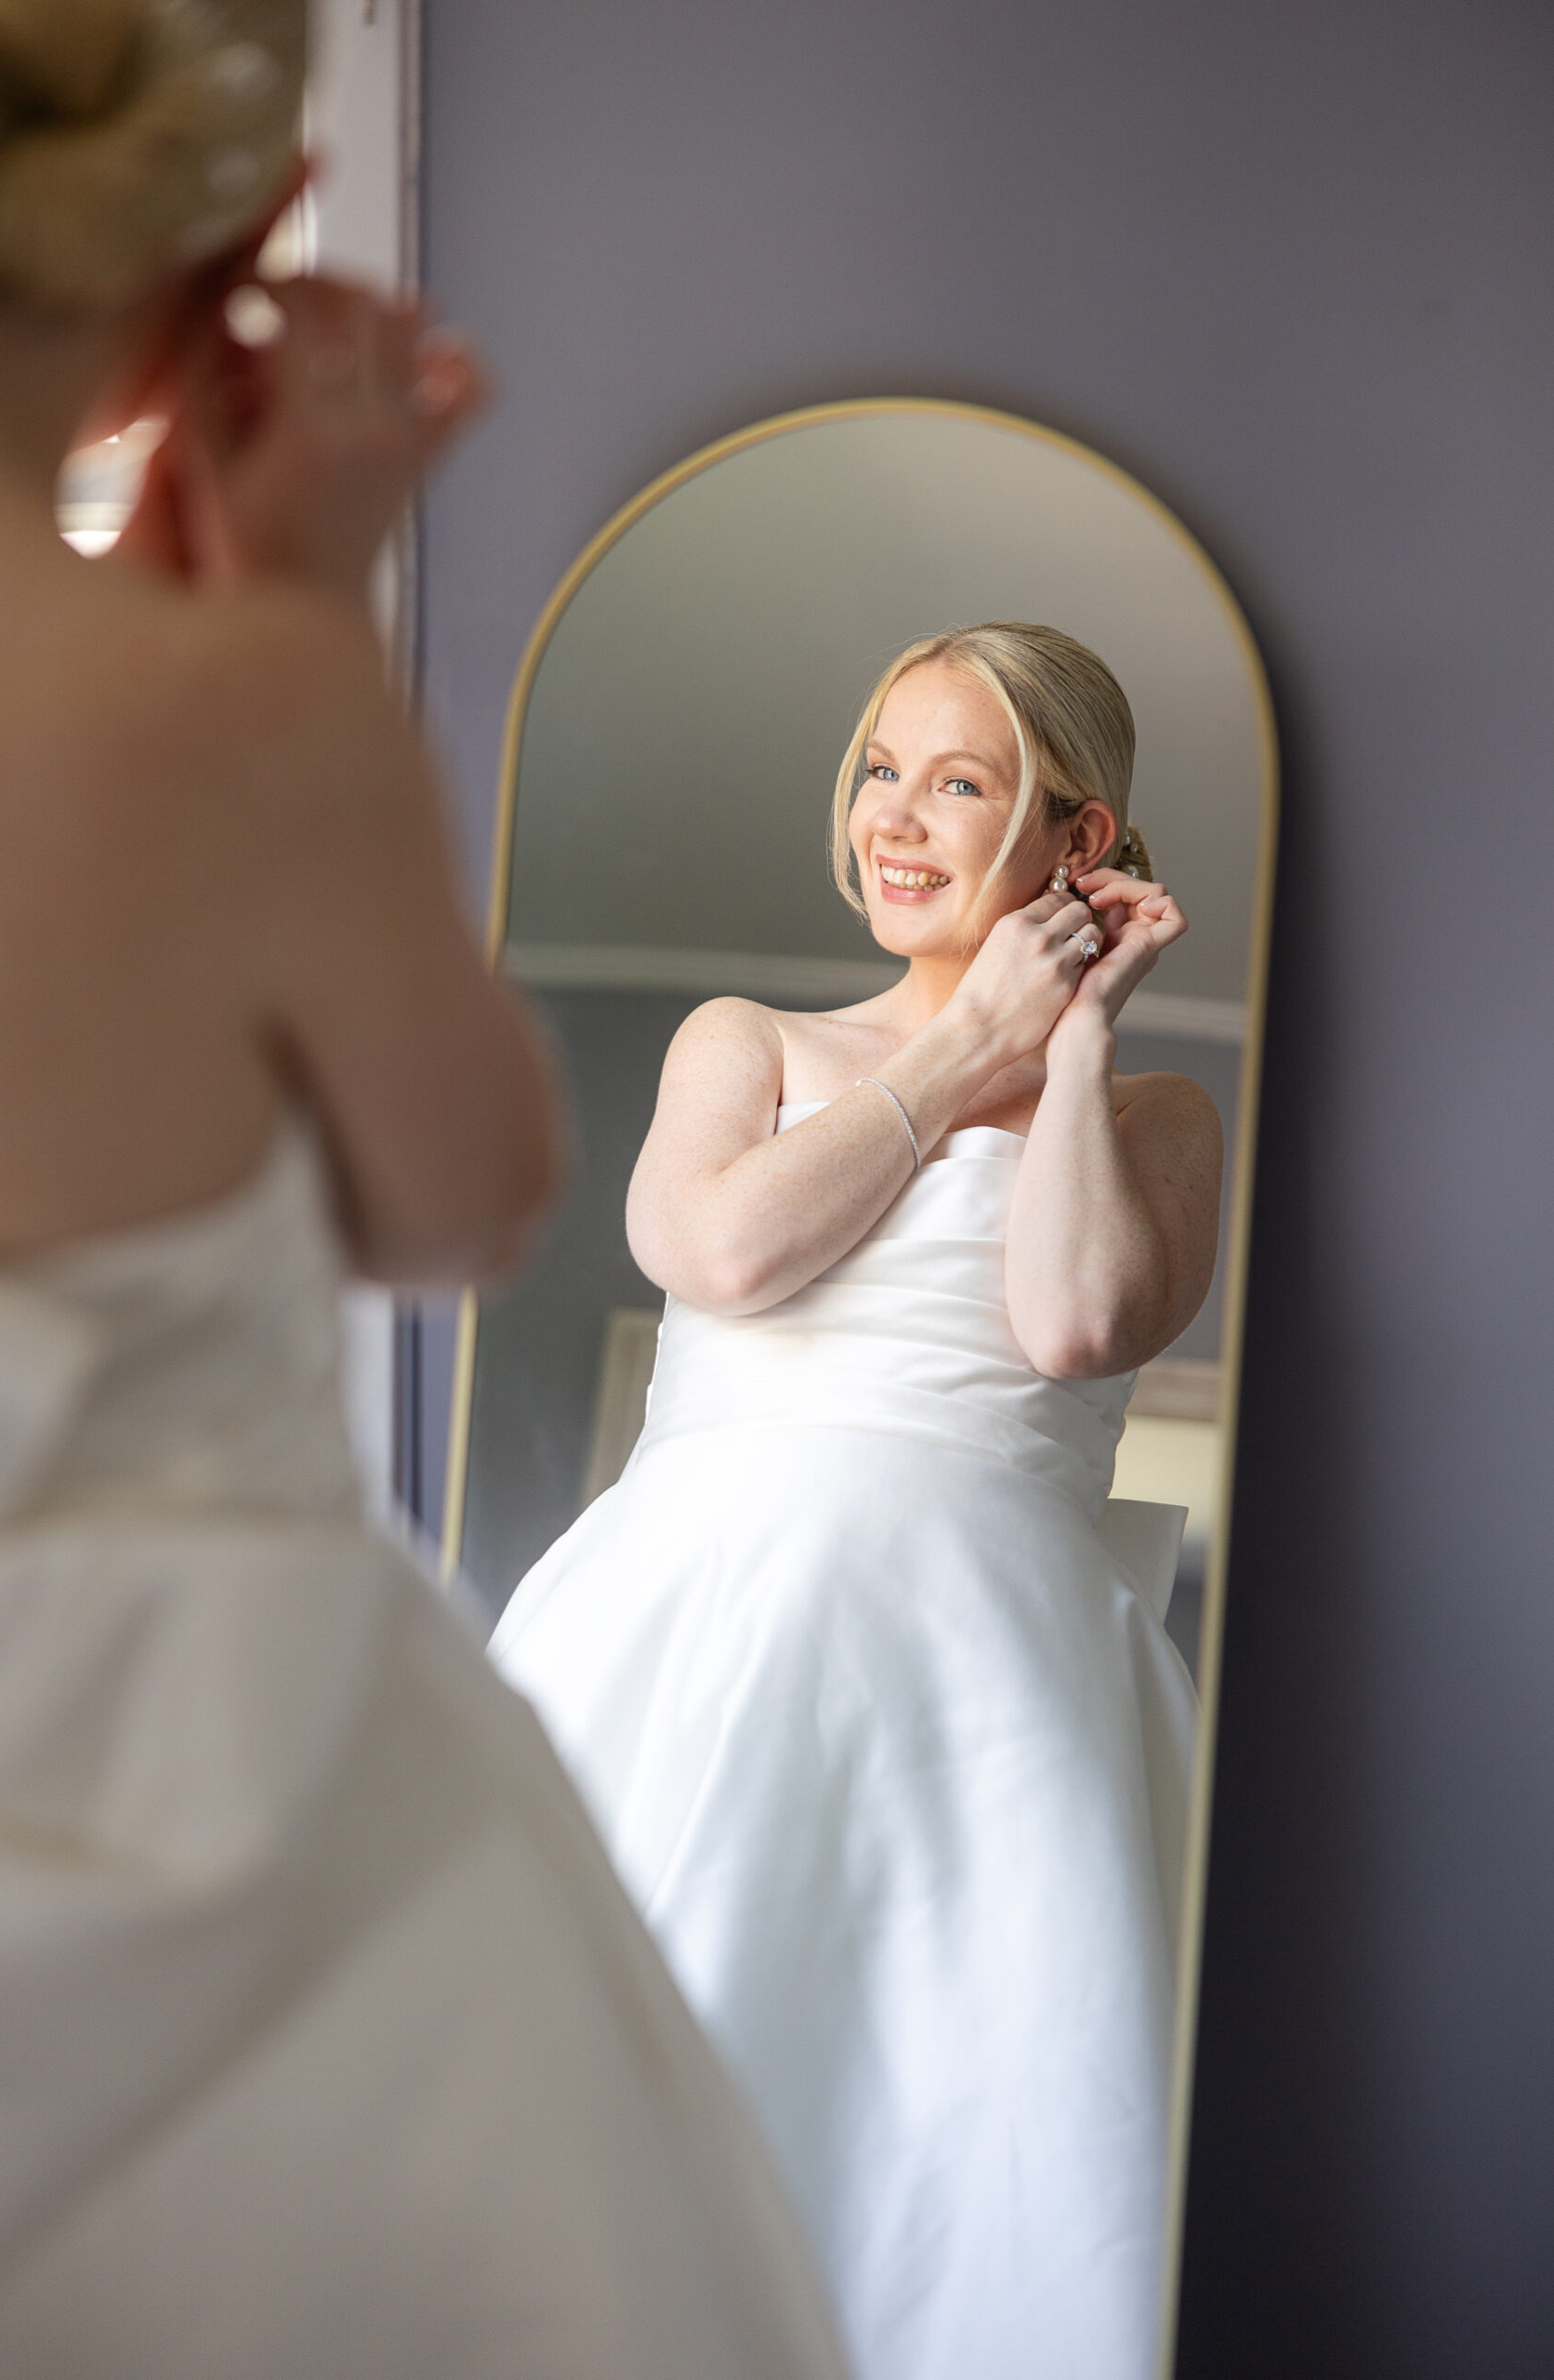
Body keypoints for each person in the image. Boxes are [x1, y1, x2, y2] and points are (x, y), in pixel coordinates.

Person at [0, 6, 849, 2375]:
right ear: (234, 247)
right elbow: (463, 1209)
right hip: (249, 1840)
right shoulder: (236, 713)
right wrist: (287, 623)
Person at [494, 622, 1226, 2380]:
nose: (896, 818)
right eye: (879, 770)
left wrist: (1055, 1051)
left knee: (945, 2166)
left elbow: (1073, 1321)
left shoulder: (1157, 1116)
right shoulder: (742, 1040)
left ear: (1080, 838)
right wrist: (947, 1038)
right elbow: (720, 1247)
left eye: (959, 780)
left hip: (989, 1687)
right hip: (692, 1632)